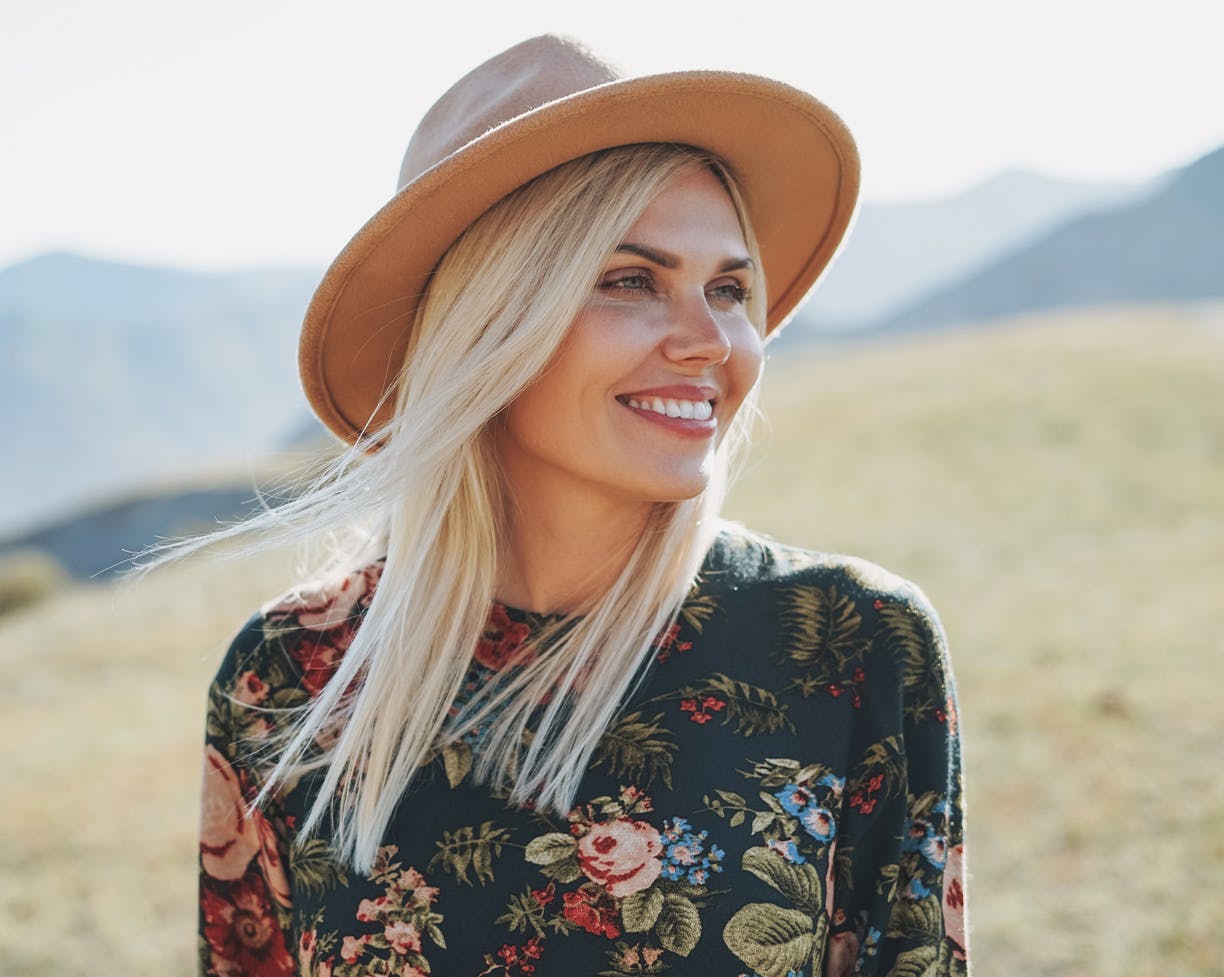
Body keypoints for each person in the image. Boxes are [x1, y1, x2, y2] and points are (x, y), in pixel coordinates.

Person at [197, 35, 968, 977]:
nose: (710, 341)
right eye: (630, 279)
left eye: (728, 287)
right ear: (489, 325)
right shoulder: (290, 675)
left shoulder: (847, 643)